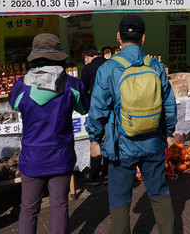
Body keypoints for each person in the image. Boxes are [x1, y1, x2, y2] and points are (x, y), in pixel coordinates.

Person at [86, 15, 177, 234]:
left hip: (121, 144)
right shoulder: (155, 66)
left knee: (119, 196)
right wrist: (169, 131)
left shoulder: (108, 69)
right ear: (143, 38)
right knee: (159, 191)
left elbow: (97, 108)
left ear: (118, 37)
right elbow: (168, 103)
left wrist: (94, 139)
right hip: (153, 140)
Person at [10, 33, 90, 234]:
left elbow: (15, 105)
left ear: (34, 57)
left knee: (28, 208)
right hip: (61, 155)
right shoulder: (73, 85)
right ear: (59, 56)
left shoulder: (21, 86)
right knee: (59, 205)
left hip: (32, 156)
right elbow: (83, 108)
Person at [80, 44, 108, 186]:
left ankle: (94, 176)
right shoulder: (109, 63)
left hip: (96, 108)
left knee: (95, 139)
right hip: (112, 108)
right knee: (109, 139)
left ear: (86, 57)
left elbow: (82, 90)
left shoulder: (88, 68)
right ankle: (107, 173)